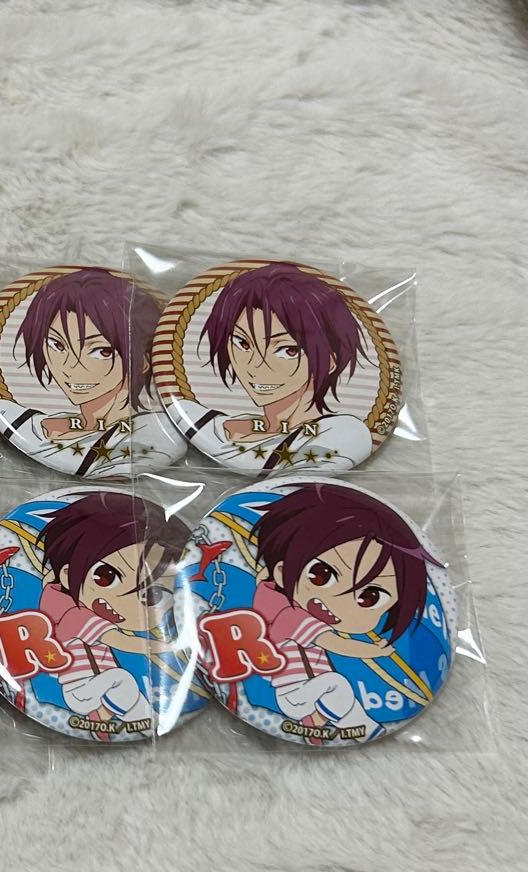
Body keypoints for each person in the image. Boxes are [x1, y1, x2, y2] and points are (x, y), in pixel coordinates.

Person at [244, 483, 439, 736]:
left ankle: (352, 725)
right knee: (335, 684)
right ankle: (357, 726)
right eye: (321, 574)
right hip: (293, 692)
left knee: (339, 692)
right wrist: (372, 650)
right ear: (282, 572)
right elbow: (334, 643)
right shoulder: (291, 616)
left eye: (370, 597)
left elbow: (266, 583)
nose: (339, 601)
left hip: (312, 692)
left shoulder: (277, 601)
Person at [172, 263, 374, 473]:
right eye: (242, 343)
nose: (255, 367)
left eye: (288, 350)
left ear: (330, 361)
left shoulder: (341, 434)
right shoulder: (197, 418)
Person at [0, 268, 186, 475]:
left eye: (101, 351)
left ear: (143, 361)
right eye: (57, 345)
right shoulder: (27, 423)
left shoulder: (155, 438)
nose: (71, 367)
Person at [37, 491, 187, 737]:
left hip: (97, 687)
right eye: (106, 576)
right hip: (79, 689)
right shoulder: (76, 616)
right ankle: (135, 718)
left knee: (123, 685)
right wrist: (169, 646)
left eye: (152, 596)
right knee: (121, 679)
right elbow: (122, 641)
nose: (124, 601)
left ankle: (115, 717)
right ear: (66, 574)